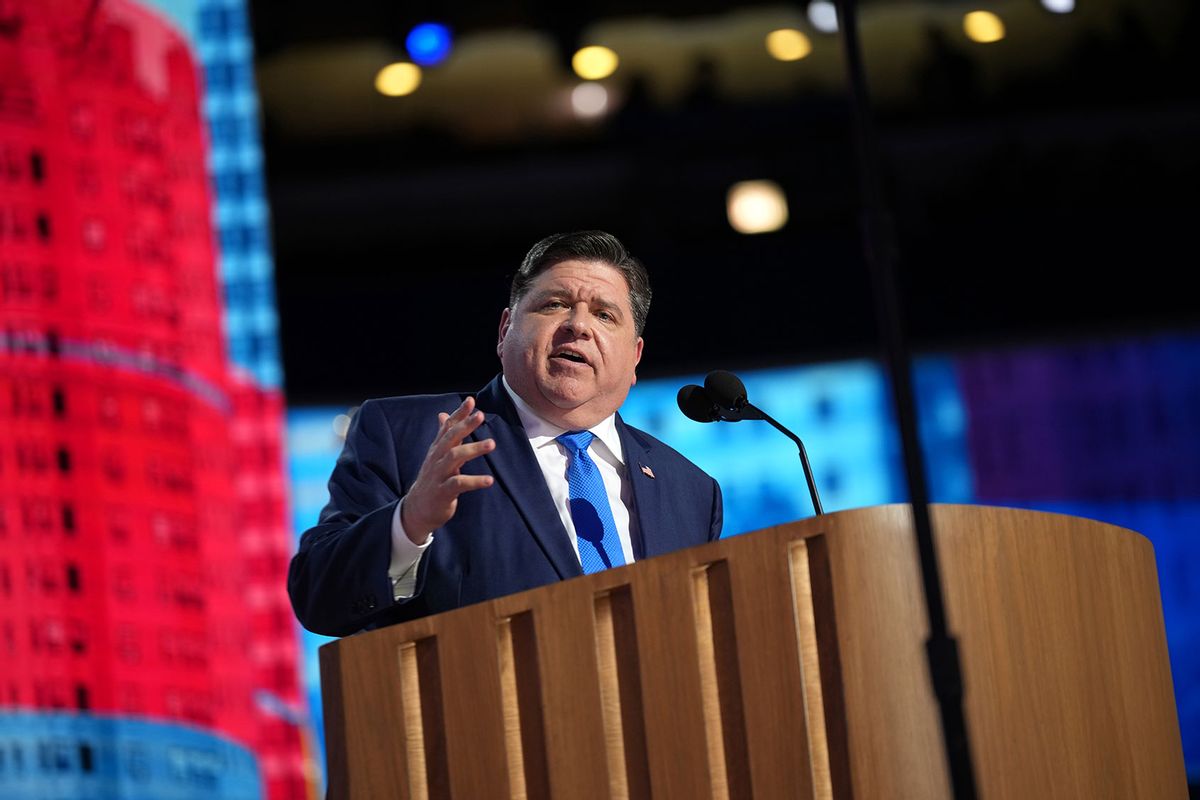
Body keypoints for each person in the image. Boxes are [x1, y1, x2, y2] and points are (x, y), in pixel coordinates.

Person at [288, 231, 723, 636]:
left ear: (635, 358)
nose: (579, 325)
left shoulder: (690, 491)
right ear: (504, 330)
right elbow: (320, 597)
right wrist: (409, 523)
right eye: (554, 304)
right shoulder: (412, 436)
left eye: (605, 314)